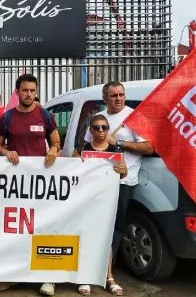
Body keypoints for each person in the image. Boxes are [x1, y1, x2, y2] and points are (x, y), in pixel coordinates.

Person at [81, 81, 153, 295]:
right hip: (97, 184)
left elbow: (149, 147)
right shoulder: (99, 119)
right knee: (95, 224)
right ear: (105, 98)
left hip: (123, 181)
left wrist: (120, 144)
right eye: (113, 95)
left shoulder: (134, 118)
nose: (118, 98)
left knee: (116, 226)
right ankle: (96, 269)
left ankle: (107, 271)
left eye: (121, 94)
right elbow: (87, 148)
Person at [0, 74, 61, 296]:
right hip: (15, 184)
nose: (29, 94)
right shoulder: (6, 117)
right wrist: (6, 151)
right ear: (17, 92)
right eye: (25, 90)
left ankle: (47, 278)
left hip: (41, 183)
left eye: (32, 90)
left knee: (43, 227)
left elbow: (56, 142)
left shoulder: (45, 115)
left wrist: (52, 150)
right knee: (17, 229)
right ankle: (15, 276)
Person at [73, 115, 127, 296]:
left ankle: (108, 276)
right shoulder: (82, 149)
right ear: (90, 130)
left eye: (104, 127)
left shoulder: (115, 149)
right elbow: (69, 172)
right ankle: (85, 277)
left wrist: (122, 170)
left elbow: (124, 173)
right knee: (86, 236)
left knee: (106, 238)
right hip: (85, 201)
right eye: (96, 128)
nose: (101, 131)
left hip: (107, 201)